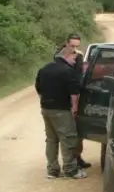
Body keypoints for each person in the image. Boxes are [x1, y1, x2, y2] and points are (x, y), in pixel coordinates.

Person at [35, 46, 86, 179]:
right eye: (74, 59)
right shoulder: (68, 71)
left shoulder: (44, 69)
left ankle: (52, 170)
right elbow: (74, 93)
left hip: (46, 109)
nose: (75, 62)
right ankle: (70, 169)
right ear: (67, 56)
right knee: (68, 138)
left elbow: (38, 88)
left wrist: (45, 101)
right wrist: (74, 108)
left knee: (51, 140)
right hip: (62, 110)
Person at [54, 33, 91, 170]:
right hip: (61, 97)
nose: (74, 48)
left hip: (74, 95)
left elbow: (78, 78)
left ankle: (76, 157)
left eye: (77, 45)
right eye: (72, 45)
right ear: (66, 43)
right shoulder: (58, 56)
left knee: (75, 130)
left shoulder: (79, 56)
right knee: (61, 132)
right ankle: (67, 162)